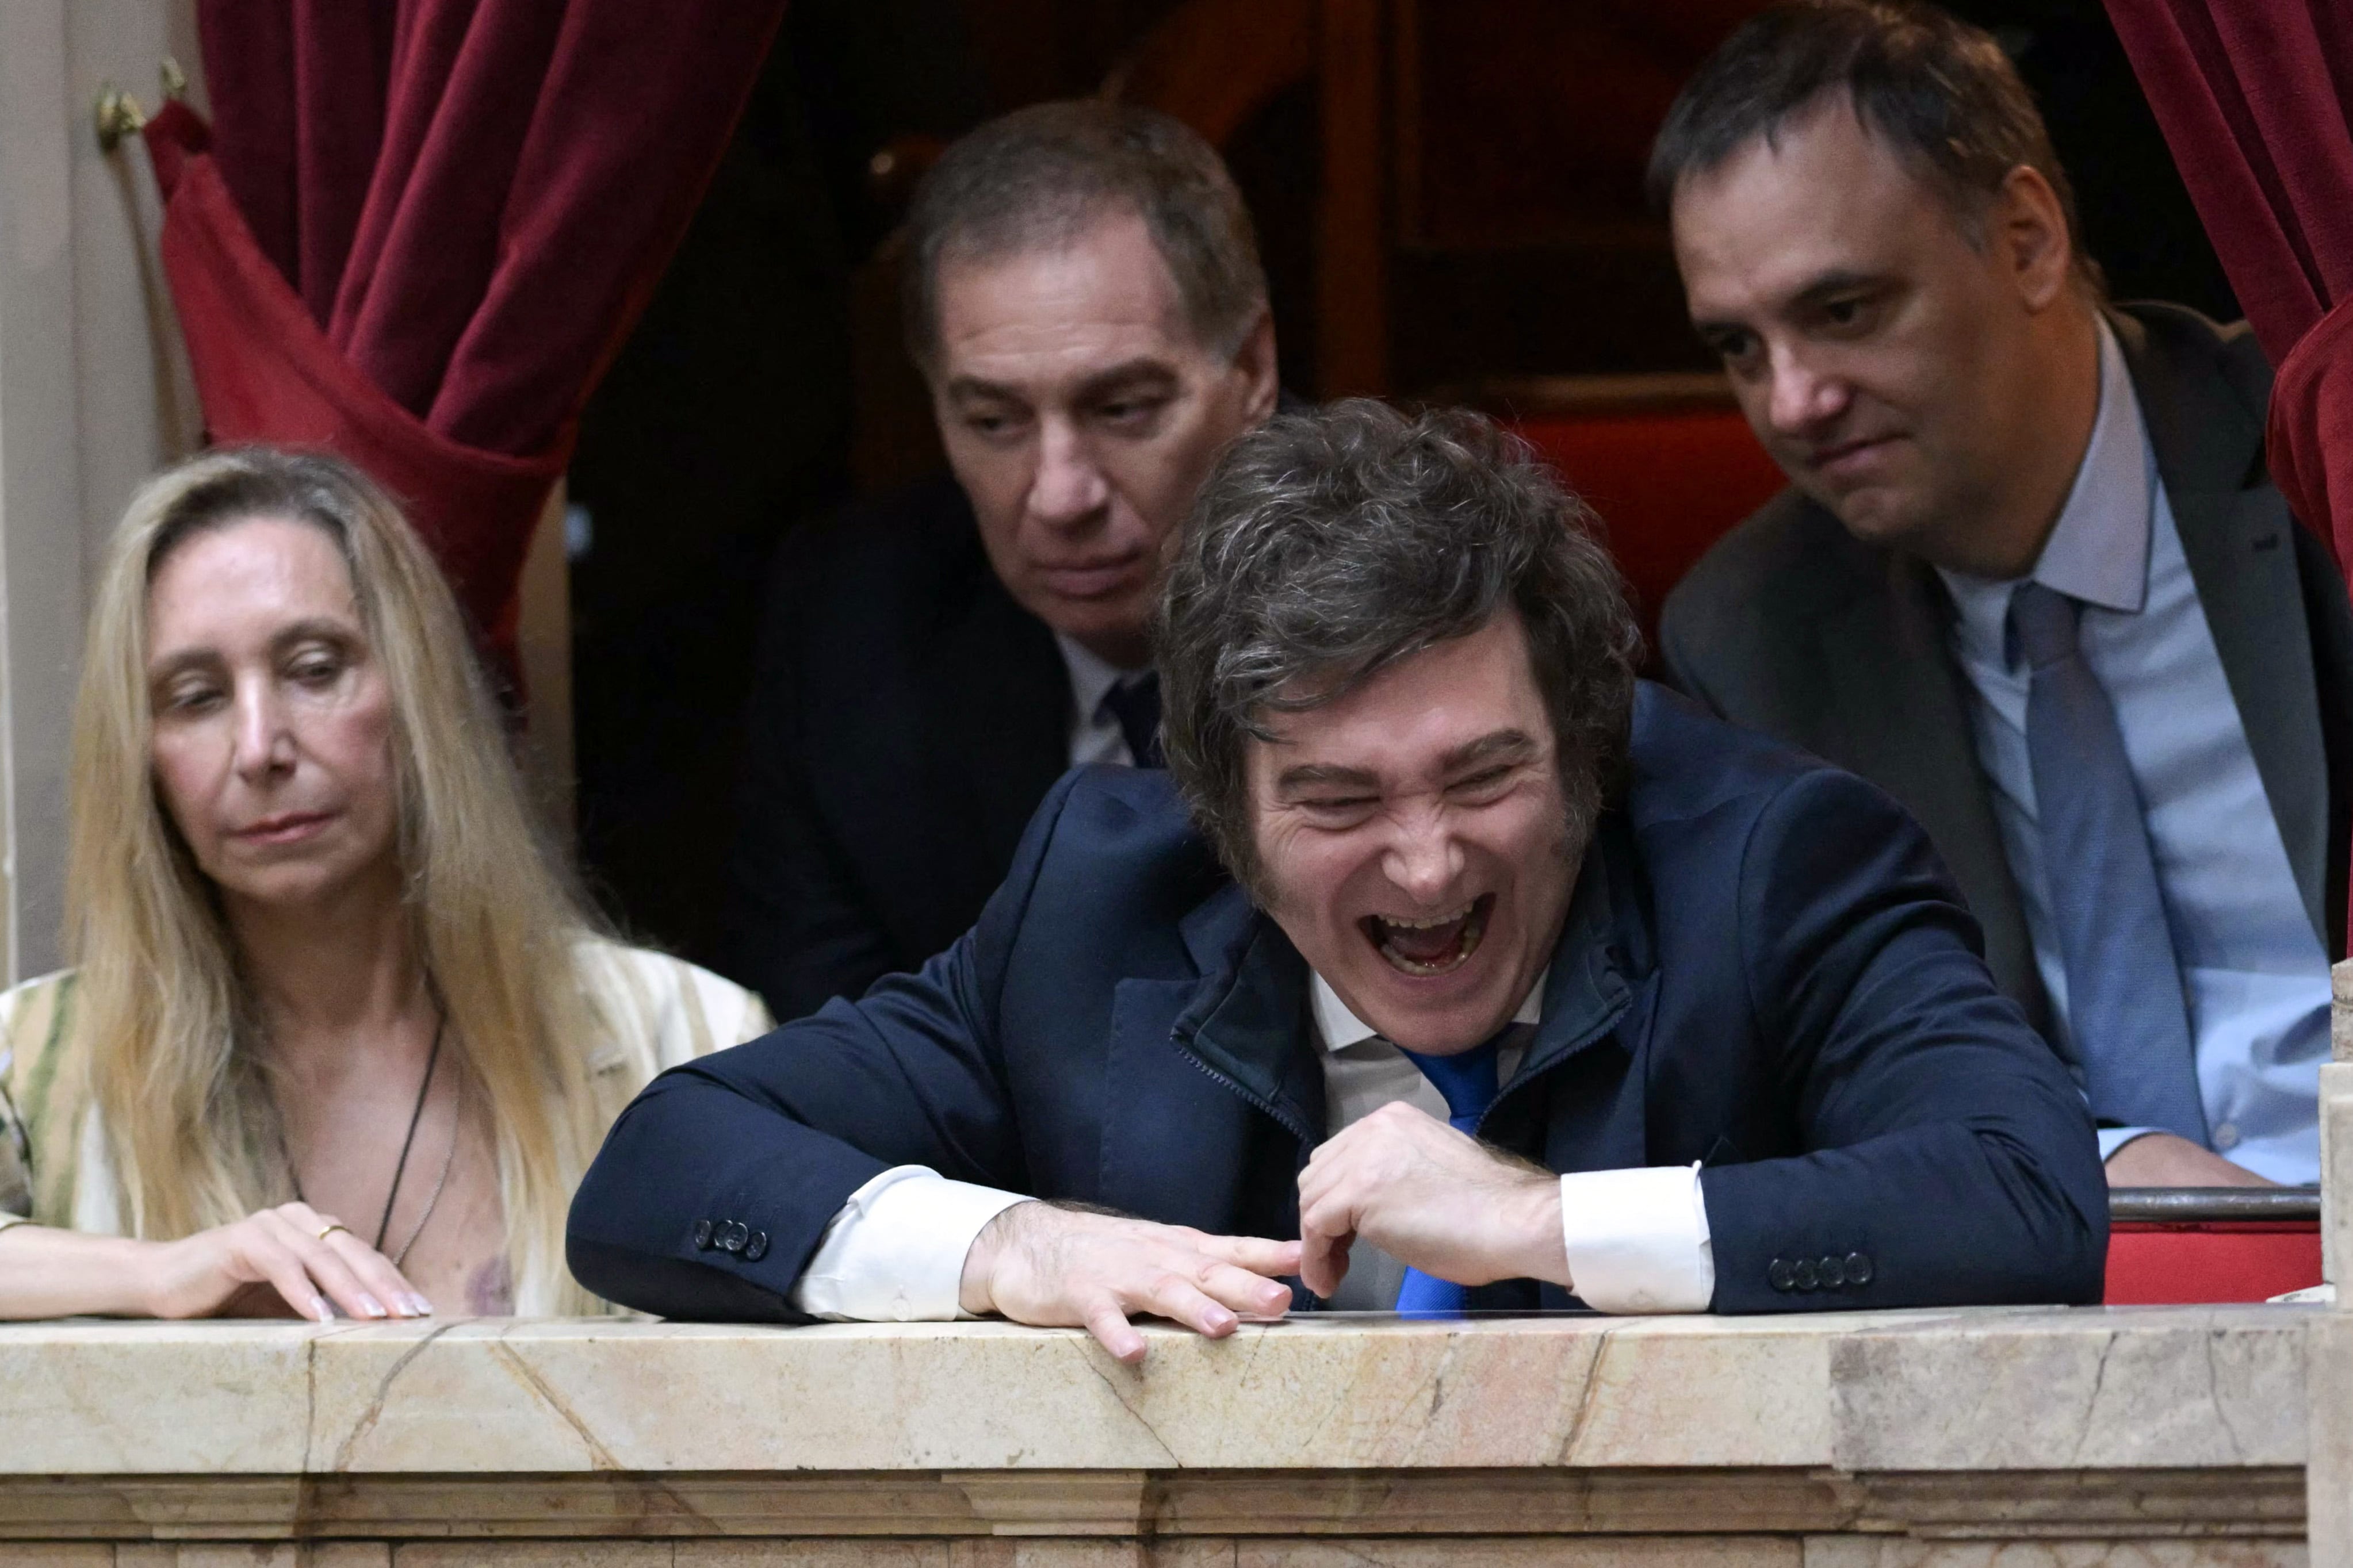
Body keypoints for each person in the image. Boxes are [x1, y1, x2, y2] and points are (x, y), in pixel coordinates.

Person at [569, 401, 2105, 1358]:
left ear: (1579, 744)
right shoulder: (1094, 899)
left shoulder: (1775, 862)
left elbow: (2026, 1195)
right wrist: (1001, 1246)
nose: (1426, 860)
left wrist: (1550, 1222)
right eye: (1337, 800)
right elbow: (662, 1169)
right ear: (1222, 814)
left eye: (1484, 776)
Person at [1651, 0, 2353, 1190]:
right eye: (1739, 347)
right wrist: (2110, 1163)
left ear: (2027, 238)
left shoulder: (2313, 465)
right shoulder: (1754, 633)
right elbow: (1815, 1056)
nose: (1792, 399)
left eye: (1844, 311)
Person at [0, 448, 770, 1322]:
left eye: (315, 669)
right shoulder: (36, 1071)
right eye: (196, 696)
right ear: (142, 756)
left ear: (416, 690)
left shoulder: (682, 1039)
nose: (260, 749)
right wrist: (155, 1275)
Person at [721, 99, 1281, 1022]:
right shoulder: (853, 621)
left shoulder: (1429, 601)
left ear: (1253, 369)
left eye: (1124, 408)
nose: (1060, 495)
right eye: (994, 422)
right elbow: (830, 1044)